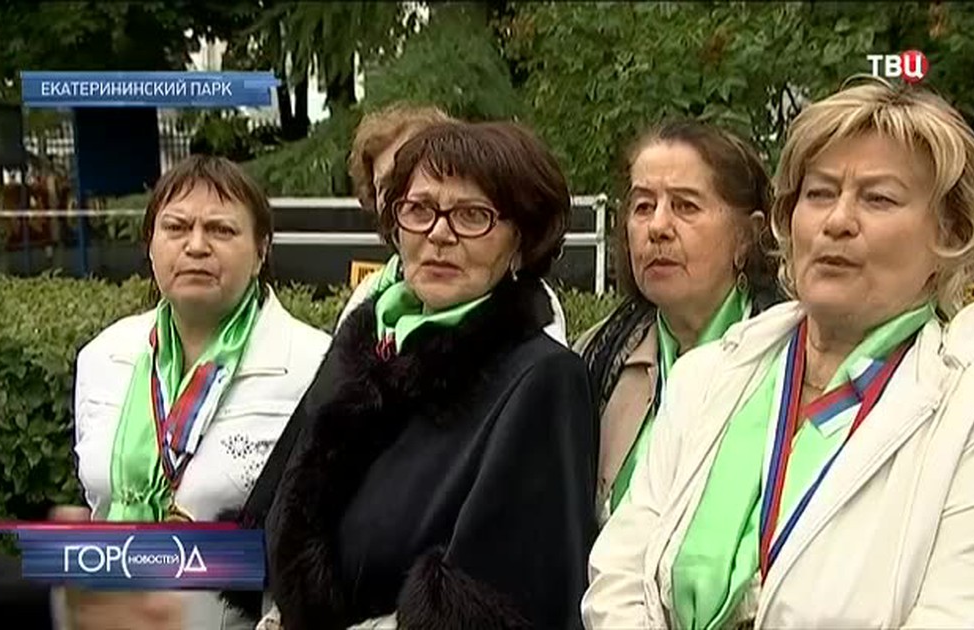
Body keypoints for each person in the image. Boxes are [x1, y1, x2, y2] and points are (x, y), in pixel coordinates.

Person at [582, 77, 974, 630]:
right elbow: (619, 577)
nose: (837, 220)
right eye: (819, 194)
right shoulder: (706, 375)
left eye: (878, 198)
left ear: (950, 234)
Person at [230, 121, 598, 630]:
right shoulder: (364, 346)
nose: (439, 234)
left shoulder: (542, 378)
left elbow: (508, 599)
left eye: (473, 215)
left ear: (521, 241)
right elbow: (274, 528)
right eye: (420, 209)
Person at [62, 155, 333, 629]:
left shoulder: (316, 369)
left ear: (261, 250)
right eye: (176, 227)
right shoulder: (103, 358)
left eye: (222, 230)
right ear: (150, 245)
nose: (196, 245)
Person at [576, 121, 781, 523]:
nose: (657, 228)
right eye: (643, 206)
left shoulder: (792, 357)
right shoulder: (598, 357)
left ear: (747, 235)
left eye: (685, 206)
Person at [339, 102, 569, 344]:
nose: (439, 232)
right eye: (385, 186)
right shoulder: (369, 304)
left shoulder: (536, 331)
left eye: (470, 214)